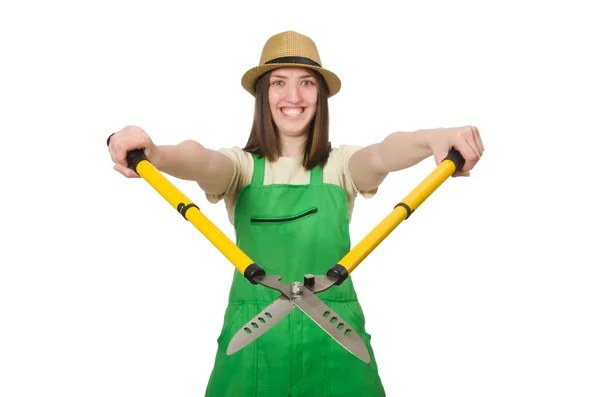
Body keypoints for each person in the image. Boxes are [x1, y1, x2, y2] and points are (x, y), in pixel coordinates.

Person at [108, 31, 484, 397]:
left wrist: (431, 138)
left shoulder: (342, 166)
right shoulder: (239, 168)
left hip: (336, 336)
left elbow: (384, 153)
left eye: (306, 83)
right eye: (278, 83)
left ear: (320, 95)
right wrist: (154, 153)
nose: (293, 96)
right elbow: (199, 159)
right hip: (253, 341)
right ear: (262, 95)